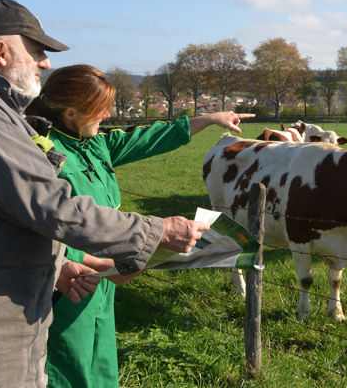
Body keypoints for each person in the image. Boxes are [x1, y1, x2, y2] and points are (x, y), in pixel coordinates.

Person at [0, 0, 216, 387]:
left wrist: (60, 263)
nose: (45, 63)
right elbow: (48, 204)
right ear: (0, 52)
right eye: (37, 51)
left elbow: (2, 212)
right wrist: (155, 232)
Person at [23, 65, 253, 387]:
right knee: (67, 367)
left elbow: (148, 137)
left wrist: (211, 119)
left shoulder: (96, 143)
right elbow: (37, 223)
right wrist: (89, 262)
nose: (107, 116)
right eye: (100, 111)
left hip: (103, 278)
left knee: (101, 363)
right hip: (68, 281)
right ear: (72, 112)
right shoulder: (40, 151)